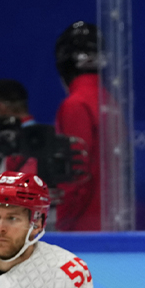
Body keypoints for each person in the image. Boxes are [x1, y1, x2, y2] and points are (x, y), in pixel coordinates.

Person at [53, 21, 103, 231]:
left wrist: (64, 224)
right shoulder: (110, 101)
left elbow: (77, 177)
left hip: (84, 224)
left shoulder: (75, 104)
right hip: (108, 220)